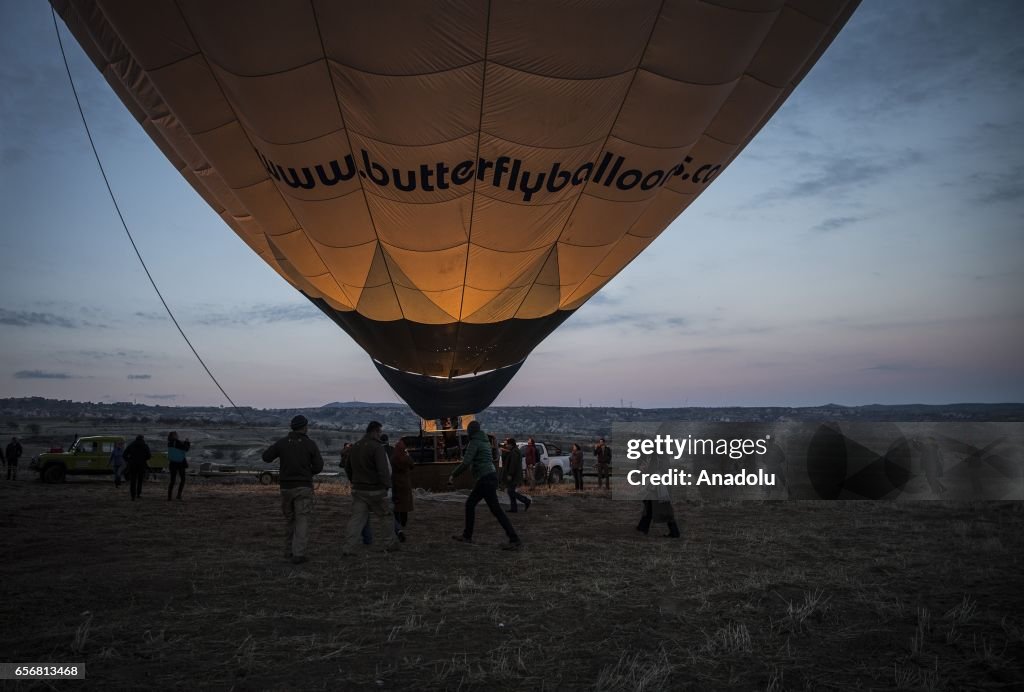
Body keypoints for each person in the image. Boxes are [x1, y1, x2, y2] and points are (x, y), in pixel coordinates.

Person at [449, 421, 522, 550]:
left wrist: (453, 475)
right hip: (490, 476)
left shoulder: (475, 442)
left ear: (471, 431)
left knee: (471, 504)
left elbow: (466, 462)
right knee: (495, 510)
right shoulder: (485, 441)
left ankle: (468, 536)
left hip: (484, 478)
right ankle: (514, 539)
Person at [262, 415, 324, 565]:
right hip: (303, 487)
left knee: (290, 520)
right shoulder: (310, 444)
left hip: (286, 488)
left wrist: (274, 448)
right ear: (304, 427)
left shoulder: (282, 443)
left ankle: (288, 551)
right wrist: (307, 473)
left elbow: (266, 457)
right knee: (302, 520)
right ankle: (299, 554)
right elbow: (318, 466)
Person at [343, 421, 398, 555]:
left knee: (356, 520)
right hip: (376, 490)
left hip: (358, 489)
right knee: (386, 516)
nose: (380, 435)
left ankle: (349, 548)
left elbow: (347, 467)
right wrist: (387, 486)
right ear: (375, 431)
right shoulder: (377, 447)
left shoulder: (355, 446)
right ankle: (390, 544)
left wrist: (353, 481)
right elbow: (383, 469)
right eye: (379, 432)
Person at [390, 438, 415, 542]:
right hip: (404, 482)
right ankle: (403, 524)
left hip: (395, 482)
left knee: (397, 504)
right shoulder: (405, 456)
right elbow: (411, 465)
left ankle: (398, 526)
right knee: (404, 505)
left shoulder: (394, 455)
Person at [500, 438, 531, 512]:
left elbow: (513, 464)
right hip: (514, 475)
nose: (506, 446)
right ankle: (514, 508)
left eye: (507, 444)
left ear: (511, 444)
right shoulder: (513, 451)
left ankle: (526, 501)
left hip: (514, 475)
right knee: (511, 491)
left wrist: (510, 474)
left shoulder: (514, 452)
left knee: (511, 491)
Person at [123, 435, 151, 500]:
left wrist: (129, 460)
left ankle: (133, 495)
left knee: (133, 480)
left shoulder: (131, 445)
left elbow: (124, 455)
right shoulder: (145, 445)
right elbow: (149, 456)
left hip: (132, 464)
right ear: (142, 439)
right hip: (142, 465)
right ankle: (138, 494)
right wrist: (144, 459)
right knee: (140, 480)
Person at [166, 431, 191, 501]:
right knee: (183, 479)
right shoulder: (177, 442)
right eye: (176, 435)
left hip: (172, 463)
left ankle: (169, 496)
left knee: (172, 480)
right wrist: (187, 442)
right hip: (180, 463)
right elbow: (186, 449)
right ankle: (179, 495)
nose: (177, 435)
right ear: (174, 436)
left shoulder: (169, 443)